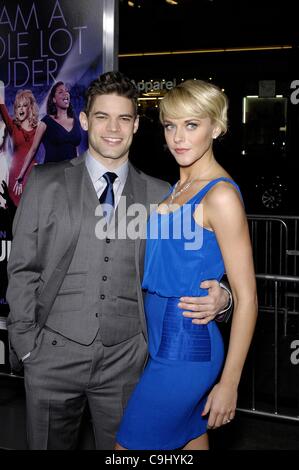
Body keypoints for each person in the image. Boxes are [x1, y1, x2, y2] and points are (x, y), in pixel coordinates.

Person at [6, 72, 230, 450]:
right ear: (85, 120)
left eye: (124, 118)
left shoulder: (162, 195)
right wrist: (27, 345)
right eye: (102, 117)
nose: (113, 128)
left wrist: (222, 296)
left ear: (136, 125)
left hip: (128, 362)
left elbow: (195, 262)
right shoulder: (45, 183)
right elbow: (22, 268)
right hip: (52, 358)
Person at [115, 79, 258, 450]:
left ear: (217, 126)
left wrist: (229, 383)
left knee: (126, 449)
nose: (178, 137)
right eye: (170, 125)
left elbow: (248, 298)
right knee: (192, 440)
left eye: (192, 125)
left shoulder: (221, 195)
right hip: (160, 339)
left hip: (187, 346)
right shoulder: (177, 188)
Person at [15, 81, 82, 192]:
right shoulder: (46, 122)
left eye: (67, 91)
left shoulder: (75, 121)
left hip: (72, 178)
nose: (65, 93)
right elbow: (33, 150)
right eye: (61, 92)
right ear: (54, 100)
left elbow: (76, 151)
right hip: (52, 179)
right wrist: (21, 176)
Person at [0, 88, 39, 206]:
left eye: (24, 105)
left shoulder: (39, 128)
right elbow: (1, 106)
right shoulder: (13, 127)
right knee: (14, 213)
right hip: (15, 175)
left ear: (30, 108)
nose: (21, 108)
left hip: (32, 175)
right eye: (18, 106)